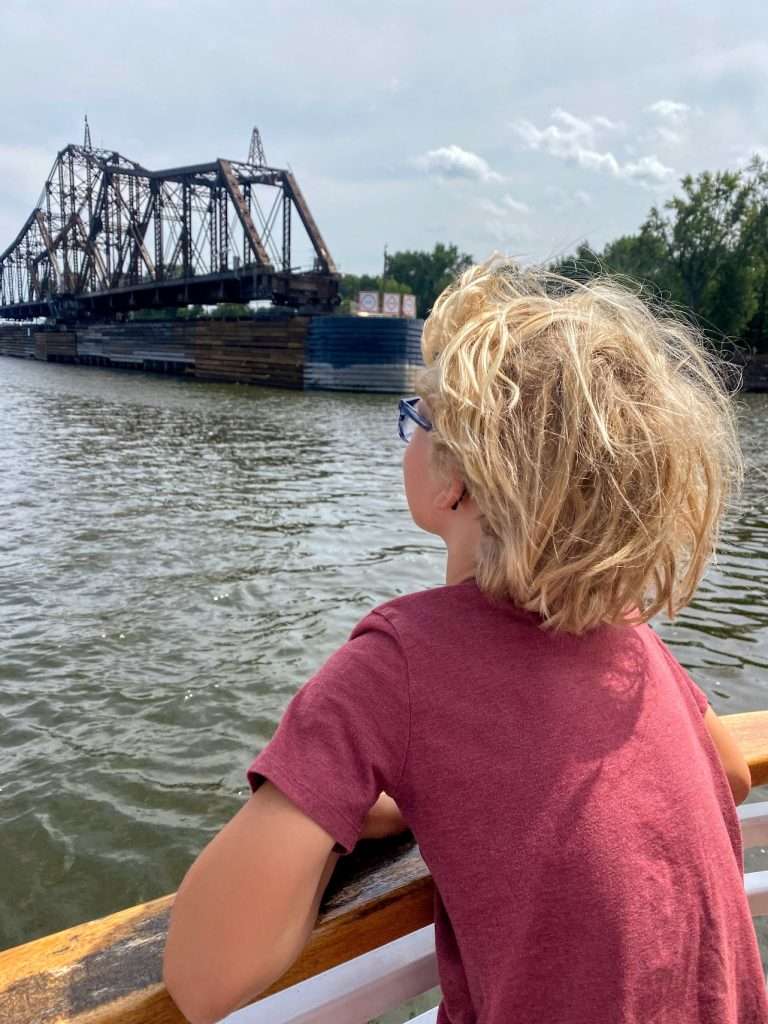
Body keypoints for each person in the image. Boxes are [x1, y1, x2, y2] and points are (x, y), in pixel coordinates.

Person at [163, 257, 766, 1024]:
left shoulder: (399, 660)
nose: (406, 434)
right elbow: (728, 773)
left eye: (415, 417)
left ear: (455, 481)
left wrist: (338, 809)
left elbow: (202, 974)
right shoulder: (627, 642)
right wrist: (443, 788)